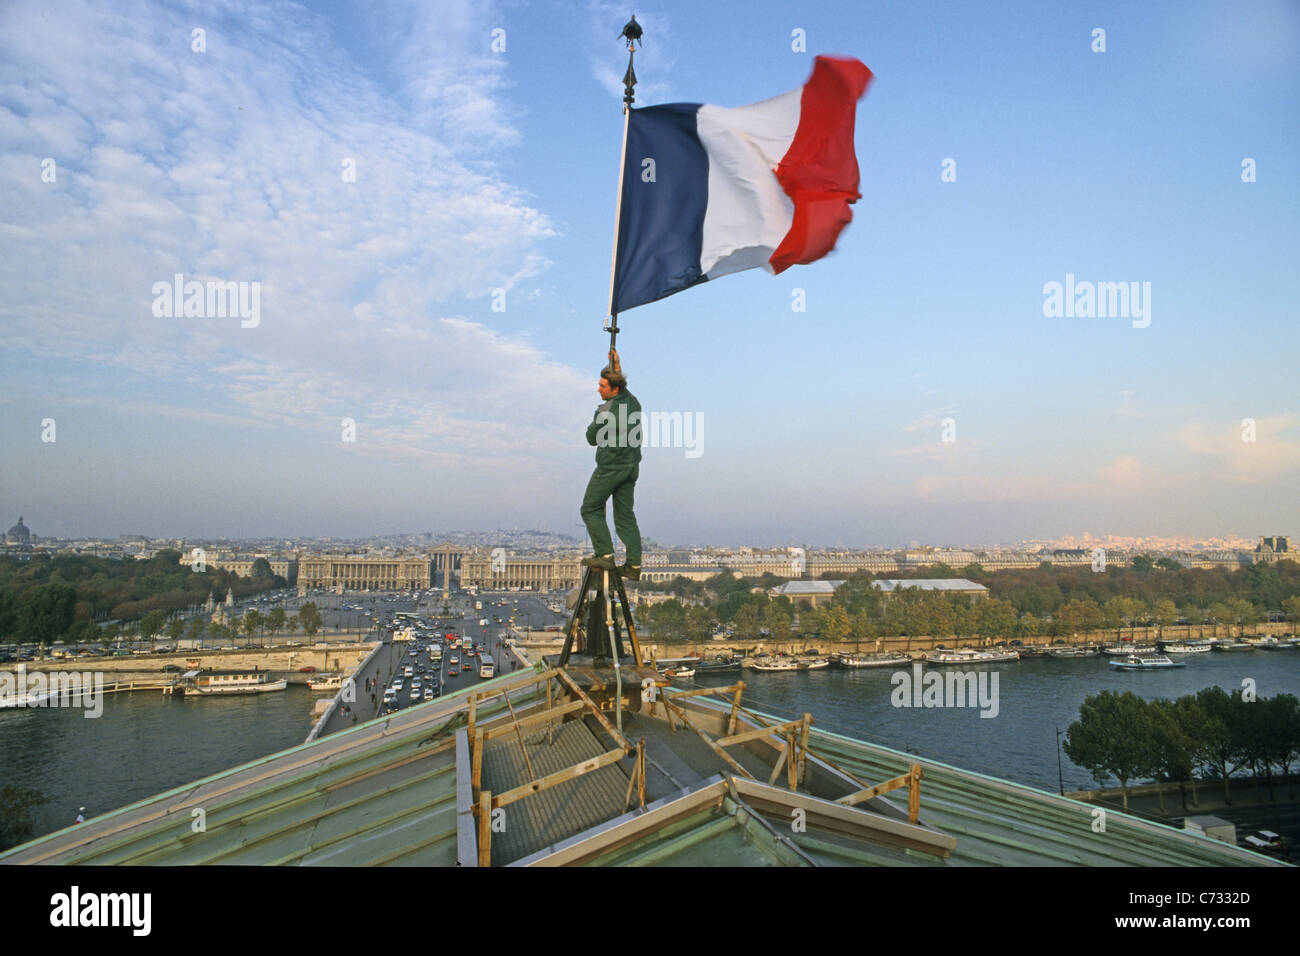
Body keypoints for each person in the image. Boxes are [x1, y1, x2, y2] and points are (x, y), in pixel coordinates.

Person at [580, 350, 643, 580]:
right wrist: (616, 365)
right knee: (625, 516)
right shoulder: (632, 403)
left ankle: (605, 553)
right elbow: (623, 388)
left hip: (610, 468)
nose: (598, 389)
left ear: (613, 390)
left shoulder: (605, 411)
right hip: (631, 468)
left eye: (602, 386)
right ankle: (634, 565)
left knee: (590, 508)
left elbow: (590, 438)